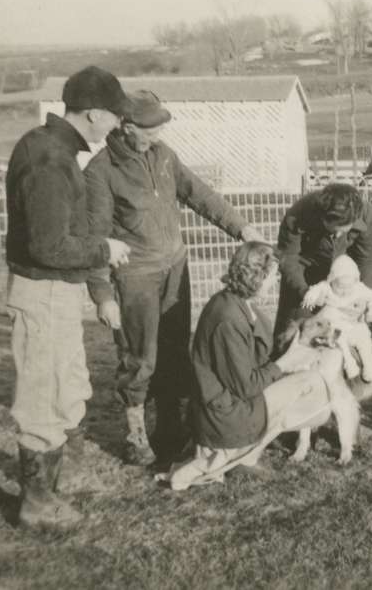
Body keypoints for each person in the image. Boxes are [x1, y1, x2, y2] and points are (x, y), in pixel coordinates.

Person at [86, 90, 264, 468]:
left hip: (175, 269)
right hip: (136, 276)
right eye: (152, 129)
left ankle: (172, 427)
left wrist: (241, 227)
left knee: (174, 350)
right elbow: (96, 238)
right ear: (128, 127)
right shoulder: (101, 172)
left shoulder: (165, 157)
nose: (159, 135)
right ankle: (136, 435)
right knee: (140, 357)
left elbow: (199, 194)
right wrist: (103, 294)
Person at [4, 65, 133, 530]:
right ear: (95, 114)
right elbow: (49, 246)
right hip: (43, 293)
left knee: (63, 389)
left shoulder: (50, 147)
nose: (119, 125)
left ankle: (45, 491)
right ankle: (36, 504)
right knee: (43, 396)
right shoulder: (50, 160)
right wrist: (105, 248)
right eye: (116, 116)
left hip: (54, 291)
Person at [168, 241, 353, 490]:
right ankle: (238, 453)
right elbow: (246, 386)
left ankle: (243, 448)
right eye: (272, 276)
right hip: (226, 414)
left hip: (227, 404)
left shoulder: (234, 303)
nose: (275, 282)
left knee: (311, 383)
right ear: (257, 276)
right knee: (313, 387)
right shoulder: (228, 319)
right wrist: (286, 362)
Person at [274, 183, 372, 347]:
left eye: (343, 231)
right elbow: (288, 259)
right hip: (304, 275)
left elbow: (366, 261)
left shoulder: (369, 216)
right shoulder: (298, 214)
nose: (337, 235)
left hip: (344, 280)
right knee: (294, 338)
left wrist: (362, 297)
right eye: (331, 231)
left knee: (352, 337)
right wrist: (304, 292)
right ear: (321, 217)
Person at [301, 254, 372, 384]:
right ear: (331, 281)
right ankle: (349, 364)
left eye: (348, 287)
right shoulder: (326, 287)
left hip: (352, 325)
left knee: (364, 340)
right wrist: (310, 298)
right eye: (339, 287)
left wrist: (371, 315)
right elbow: (316, 290)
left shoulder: (360, 289)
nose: (344, 291)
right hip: (334, 327)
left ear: (356, 282)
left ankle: (370, 369)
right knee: (339, 341)